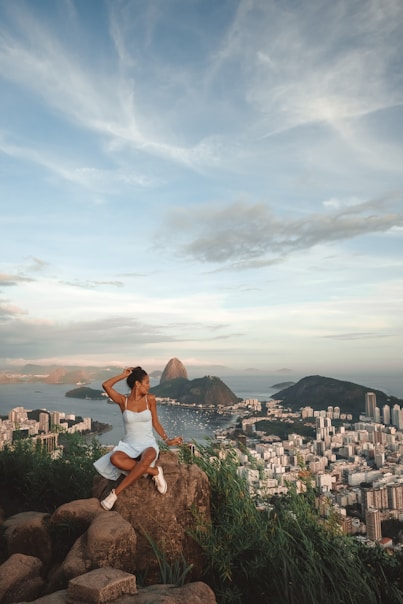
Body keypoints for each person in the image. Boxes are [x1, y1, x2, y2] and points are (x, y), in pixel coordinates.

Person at [94, 366, 183, 510]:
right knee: (114, 459)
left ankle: (114, 494)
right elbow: (106, 385)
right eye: (146, 382)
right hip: (128, 445)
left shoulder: (150, 399)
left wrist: (167, 440)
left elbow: (155, 422)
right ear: (137, 384)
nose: (149, 386)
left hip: (148, 444)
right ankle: (154, 471)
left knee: (148, 456)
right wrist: (123, 375)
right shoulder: (124, 401)